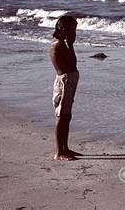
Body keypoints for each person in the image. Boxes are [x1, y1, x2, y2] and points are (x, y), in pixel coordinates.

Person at [50, 15, 81, 161]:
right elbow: (70, 63)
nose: (74, 33)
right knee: (61, 116)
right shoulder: (58, 45)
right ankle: (59, 151)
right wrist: (71, 45)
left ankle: (65, 147)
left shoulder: (64, 44)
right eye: (72, 30)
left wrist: (71, 44)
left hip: (69, 81)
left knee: (67, 116)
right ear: (64, 30)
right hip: (64, 81)